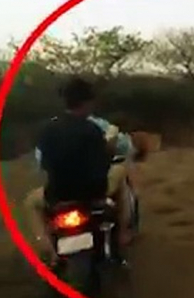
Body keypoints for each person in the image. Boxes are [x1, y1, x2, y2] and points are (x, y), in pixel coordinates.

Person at [22, 77, 134, 266]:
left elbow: (43, 163)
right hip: (94, 193)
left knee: (31, 203)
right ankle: (123, 232)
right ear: (88, 102)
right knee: (121, 174)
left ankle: (49, 251)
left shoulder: (48, 130)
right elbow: (103, 162)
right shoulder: (93, 129)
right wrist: (110, 145)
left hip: (57, 195)